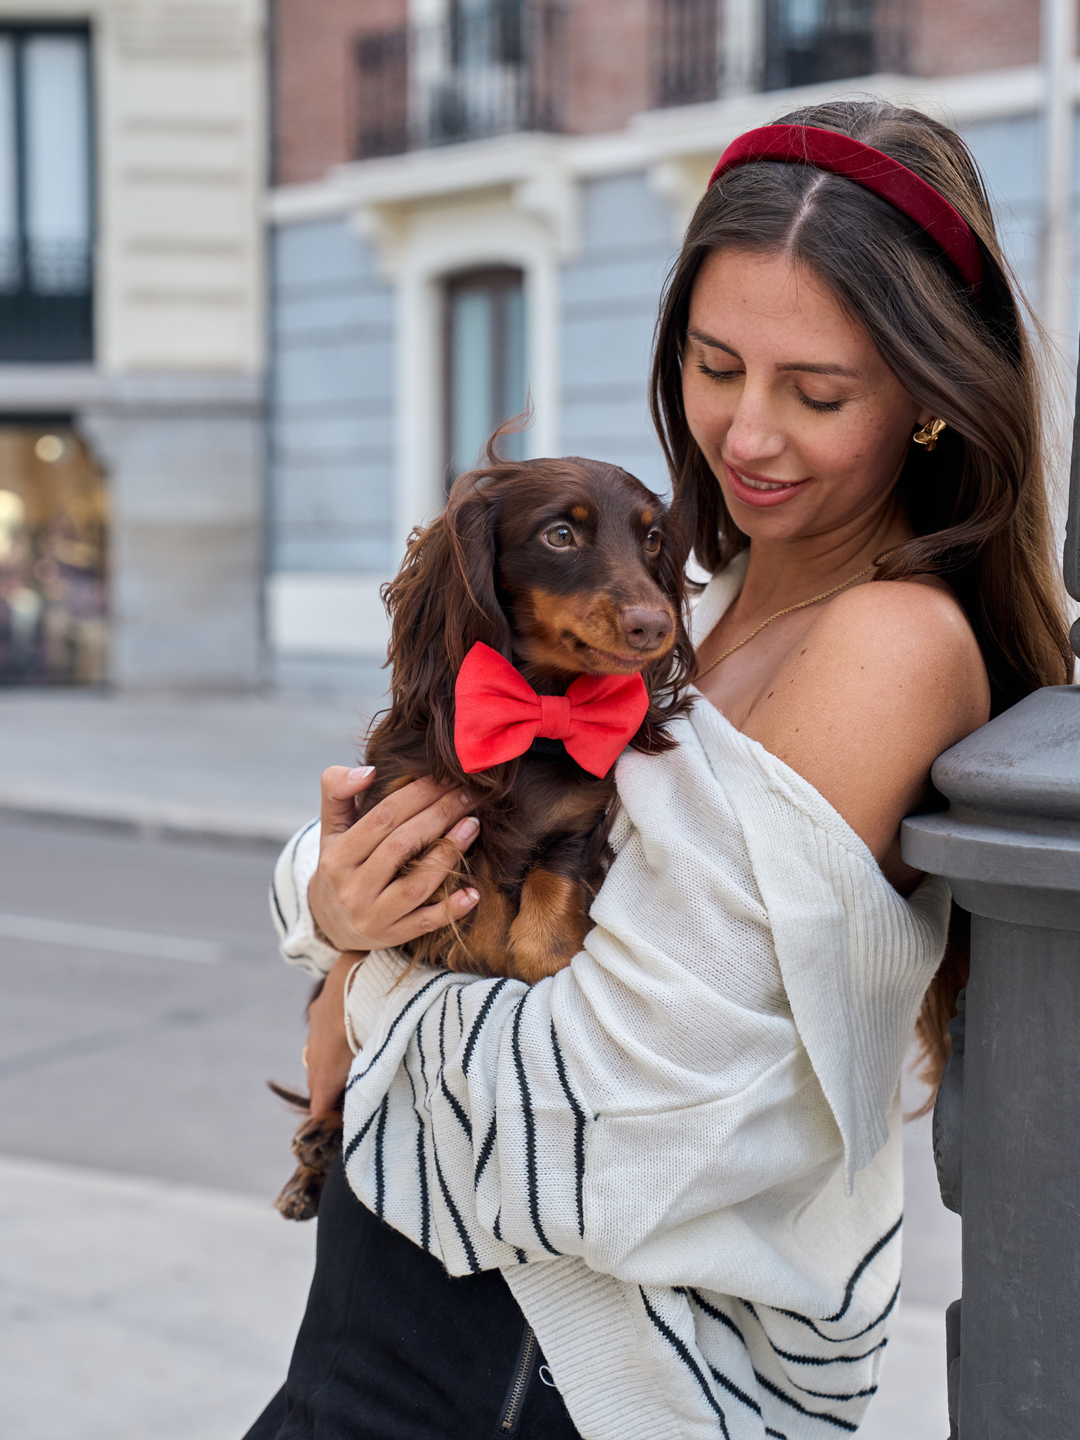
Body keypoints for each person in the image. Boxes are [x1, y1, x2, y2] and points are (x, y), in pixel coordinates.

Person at [248, 99, 1071, 1440]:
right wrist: (329, 909)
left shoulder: (892, 644)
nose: (746, 436)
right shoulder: (697, 597)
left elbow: (610, 1121)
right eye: (713, 364)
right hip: (390, 1305)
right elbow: (402, 833)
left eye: (818, 393)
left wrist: (356, 978)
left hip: (568, 1370)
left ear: (929, 399)